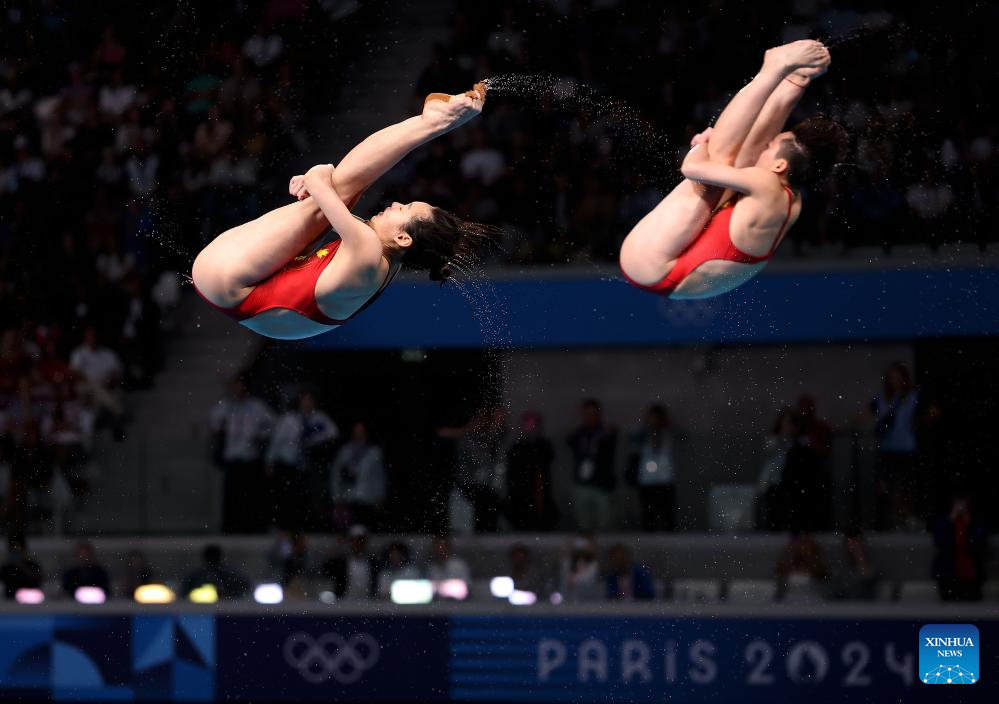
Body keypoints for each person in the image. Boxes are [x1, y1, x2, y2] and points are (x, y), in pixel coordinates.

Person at [191, 84, 498, 340]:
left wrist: (318, 177)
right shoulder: (385, 259)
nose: (393, 204)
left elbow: (319, 179)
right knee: (342, 193)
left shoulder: (367, 252)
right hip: (244, 294)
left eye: (402, 208)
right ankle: (433, 122)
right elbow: (324, 188)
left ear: (404, 238)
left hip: (228, 283)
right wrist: (319, 185)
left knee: (339, 191)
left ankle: (435, 122)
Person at [620, 40, 845, 299]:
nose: (766, 146)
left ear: (780, 165)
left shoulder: (765, 184)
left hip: (653, 266)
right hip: (671, 275)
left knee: (720, 159)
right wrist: (798, 82)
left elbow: (691, 167)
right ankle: (796, 78)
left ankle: (772, 71)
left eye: (771, 147)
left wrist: (702, 143)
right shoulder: (790, 197)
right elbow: (757, 144)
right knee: (742, 158)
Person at [209, 374, 274, 533]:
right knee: (232, 496)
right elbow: (214, 420)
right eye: (234, 386)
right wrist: (220, 429)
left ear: (245, 387)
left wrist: (260, 435)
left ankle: (251, 527)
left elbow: (272, 424)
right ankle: (231, 527)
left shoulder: (257, 406)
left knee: (250, 495)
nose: (236, 389)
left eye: (239, 385)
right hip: (232, 456)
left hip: (249, 457)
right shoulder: (227, 406)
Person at [265, 391, 338, 530]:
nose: (307, 403)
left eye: (310, 400)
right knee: (284, 497)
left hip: (303, 465)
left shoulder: (318, 417)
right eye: (305, 400)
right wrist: (269, 461)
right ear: (299, 402)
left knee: (301, 497)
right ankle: (282, 526)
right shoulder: (289, 419)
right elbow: (276, 441)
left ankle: (300, 526)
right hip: (285, 463)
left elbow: (333, 432)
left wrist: (313, 438)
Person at [870, 361, 920, 530]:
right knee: (886, 487)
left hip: (906, 448)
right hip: (887, 448)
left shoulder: (913, 397)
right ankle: (894, 519)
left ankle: (907, 517)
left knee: (906, 485)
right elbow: (871, 418)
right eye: (893, 378)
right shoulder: (881, 398)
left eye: (899, 377)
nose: (896, 381)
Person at [626, 404, 679, 531]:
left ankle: (669, 544)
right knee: (648, 516)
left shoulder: (669, 434)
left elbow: (682, 438)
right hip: (647, 481)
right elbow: (632, 439)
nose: (655, 421)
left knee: (668, 516)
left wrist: (669, 424)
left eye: (657, 418)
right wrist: (645, 428)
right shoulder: (643, 435)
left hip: (666, 480)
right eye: (652, 418)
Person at [567, 399, 617, 531]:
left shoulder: (606, 432)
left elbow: (614, 438)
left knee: (605, 525)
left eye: (593, 413)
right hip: (582, 485)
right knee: (583, 526)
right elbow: (569, 441)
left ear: (599, 414)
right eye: (586, 413)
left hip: (602, 486)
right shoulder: (578, 433)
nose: (590, 416)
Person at [504, 412, 558, 531]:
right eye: (527, 424)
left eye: (532, 424)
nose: (530, 428)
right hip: (519, 494)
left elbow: (543, 468)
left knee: (540, 523)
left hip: (539, 492)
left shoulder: (544, 445)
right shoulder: (516, 446)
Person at [329, 421, 385, 531]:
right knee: (350, 531)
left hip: (367, 498)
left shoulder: (374, 452)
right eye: (356, 431)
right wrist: (336, 497)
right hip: (348, 498)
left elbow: (379, 477)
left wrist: (380, 497)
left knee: (365, 531)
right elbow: (336, 475)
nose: (358, 434)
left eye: (361, 432)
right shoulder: (344, 451)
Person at [932, 492, 987, 601]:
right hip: (948, 572)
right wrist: (951, 520)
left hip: (971, 572)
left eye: (963, 501)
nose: (961, 505)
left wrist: (970, 524)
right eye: (958, 501)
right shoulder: (944, 519)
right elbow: (939, 541)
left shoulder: (976, 519)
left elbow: (980, 542)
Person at [181, 544, 250, 600]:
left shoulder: (230, 574)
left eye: (214, 556)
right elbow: (183, 593)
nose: (212, 559)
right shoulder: (196, 576)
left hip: (226, 607)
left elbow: (244, 587)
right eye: (210, 557)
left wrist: (228, 594)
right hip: (200, 607)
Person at [0, 535, 43, 599]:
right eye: (12, 549)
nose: (15, 552)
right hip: (9, 603)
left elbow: (37, 582)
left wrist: (22, 566)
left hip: (30, 603)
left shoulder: (32, 566)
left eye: (18, 549)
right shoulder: (6, 568)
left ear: (24, 549)